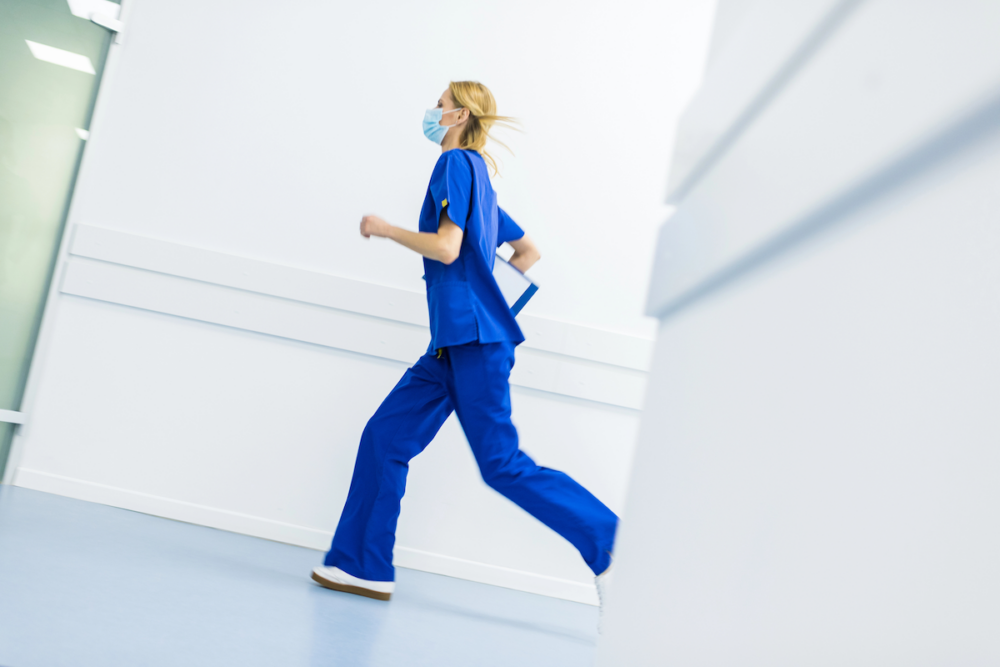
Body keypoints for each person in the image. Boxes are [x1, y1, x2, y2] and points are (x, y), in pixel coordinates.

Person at [311, 81, 617, 616]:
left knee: (502, 464)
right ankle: (362, 564)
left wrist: (387, 230)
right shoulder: (481, 178)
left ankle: (613, 547)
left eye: (439, 103)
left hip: (472, 345)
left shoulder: (456, 165)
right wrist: (486, 298)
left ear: (456, 116)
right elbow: (529, 251)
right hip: (450, 346)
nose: (432, 111)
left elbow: (448, 248)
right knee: (385, 437)